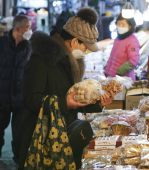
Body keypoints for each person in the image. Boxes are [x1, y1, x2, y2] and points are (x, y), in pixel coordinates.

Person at [17, 7, 114, 170]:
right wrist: (63, 104)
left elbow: (72, 99)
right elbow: (29, 99)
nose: (87, 51)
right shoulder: (42, 59)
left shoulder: (71, 63)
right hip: (44, 140)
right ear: (75, 41)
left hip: (65, 135)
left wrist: (98, 103)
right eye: (86, 47)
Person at [0, 15, 32, 164]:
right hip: (1, 97)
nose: (30, 30)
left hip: (20, 98)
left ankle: (19, 162)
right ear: (18, 28)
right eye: (28, 27)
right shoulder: (1, 44)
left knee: (20, 134)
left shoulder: (29, 47)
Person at [105, 13, 140, 81]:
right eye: (119, 24)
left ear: (130, 26)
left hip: (123, 81)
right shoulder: (118, 38)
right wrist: (107, 71)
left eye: (123, 24)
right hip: (112, 78)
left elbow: (133, 61)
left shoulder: (132, 41)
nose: (120, 26)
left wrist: (118, 72)